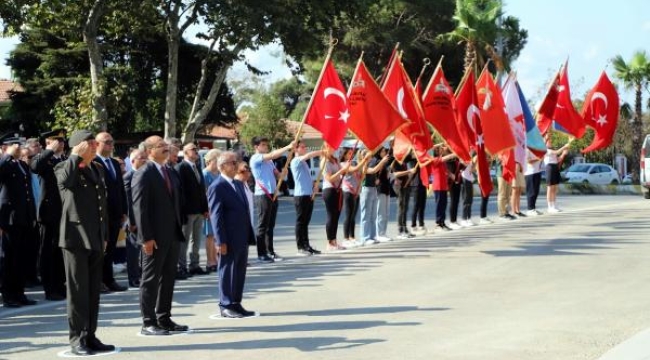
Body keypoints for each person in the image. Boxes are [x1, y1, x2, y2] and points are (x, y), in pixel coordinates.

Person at [55, 130, 114, 355]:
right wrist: (74, 157)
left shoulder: (96, 168)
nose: (93, 146)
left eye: (93, 143)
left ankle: (90, 335)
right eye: (89, 143)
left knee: (92, 292)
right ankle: (77, 339)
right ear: (78, 146)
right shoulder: (64, 167)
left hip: (95, 238)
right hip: (75, 239)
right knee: (78, 292)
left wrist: (105, 235)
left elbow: (102, 207)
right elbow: (66, 183)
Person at [132, 136, 188, 336]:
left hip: (172, 233)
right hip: (153, 237)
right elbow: (140, 208)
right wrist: (146, 237)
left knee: (168, 278)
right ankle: (148, 322)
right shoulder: (143, 173)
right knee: (150, 279)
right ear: (148, 151)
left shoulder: (170, 171)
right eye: (160, 146)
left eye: (166, 146)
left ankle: (164, 317)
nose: (166, 149)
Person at [208, 151, 256, 318]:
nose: (236, 165)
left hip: (241, 236)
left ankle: (236, 302)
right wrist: (220, 240)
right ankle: (226, 304)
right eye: (232, 163)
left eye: (236, 162)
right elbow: (216, 215)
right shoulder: (217, 186)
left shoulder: (237, 184)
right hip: (228, 237)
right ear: (222, 167)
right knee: (227, 270)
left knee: (240, 271)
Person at [0, 137, 38, 308]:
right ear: (5, 147)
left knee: (21, 258)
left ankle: (20, 292)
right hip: (10, 219)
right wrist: (7, 155)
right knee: (9, 258)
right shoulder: (5, 164)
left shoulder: (21, 165)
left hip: (24, 218)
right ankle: (9, 294)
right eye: (14, 145)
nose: (18, 147)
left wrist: (31, 215)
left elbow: (28, 194)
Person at [31, 131, 67, 301]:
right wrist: (49, 151)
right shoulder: (45, 158)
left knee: (60, 251)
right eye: (57, 140)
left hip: (63, 211)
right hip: (48, 213)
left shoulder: (63, 159)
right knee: (48, 251)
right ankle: (50, 288)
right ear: (48, 142)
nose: (61, 143)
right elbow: (35, 167)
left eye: (62, 140)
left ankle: (60, 285)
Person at [249, 137, 294, 263]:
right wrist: (288, 147)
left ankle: (270, 251)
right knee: (262, 225)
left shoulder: (269, 162)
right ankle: (261, 253)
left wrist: (283, 173)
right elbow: (273, 154)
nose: (265, 147)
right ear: (256, 147)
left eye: (266, 144)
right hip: (263, 194)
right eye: (263, 145)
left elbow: (278, 175)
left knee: (270, 225)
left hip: (273, 193)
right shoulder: (256, 158)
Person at [94, 132, 128, 292]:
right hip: (101, 214)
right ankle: (98, 280)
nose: (111, 145)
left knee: (111, 248)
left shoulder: (114, 163)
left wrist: (124, 210)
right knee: (101, 249)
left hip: (115, 214)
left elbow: (120, 188)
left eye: (112, 142)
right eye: (107, 142)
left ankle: (109, 279)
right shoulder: (93, 162)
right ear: (97, 143)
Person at [175, 143, 210, 277]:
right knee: (184, 240)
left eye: (196, 149)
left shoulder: (197, 167)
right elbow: (180, 192)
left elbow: (202, 190)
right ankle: (181, 266)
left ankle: (194, 265)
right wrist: (182, 211)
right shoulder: (181, 168)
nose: (196, 151)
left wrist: (205, 208)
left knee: (196, 240)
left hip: (199, 210)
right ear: (185, 152)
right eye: (193, 149)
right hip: (187, 211)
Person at [290, 141, 323, 255]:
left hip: (308, 194)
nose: (305, 149)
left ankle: (306, 245)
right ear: (296, 149)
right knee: (300, 222)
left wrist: (314, 185)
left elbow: (306, 178)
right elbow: (308, 155)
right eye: (302, 147)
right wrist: (321, 151)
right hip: (300, 195)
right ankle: (300, 247)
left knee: (306, 222)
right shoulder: (296, 161)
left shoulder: (304, 163)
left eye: (305, 147)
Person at [123, 148, 147, 288]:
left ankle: (143, 274)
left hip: (145, 218)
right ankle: (133, 277)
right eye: (141, 158)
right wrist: (131, 221)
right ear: (132, 161)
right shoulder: (128, 176)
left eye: (145, 158)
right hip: (134, 220)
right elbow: (128, 201)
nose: (144, 160)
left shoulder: (145, 175)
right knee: (133, 250)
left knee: (144, 249)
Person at [359, 148, 390, 244]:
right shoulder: (363, 166)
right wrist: (383, 161)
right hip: (366, 189)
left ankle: (372, 236)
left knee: (373, 215)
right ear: (363, 157)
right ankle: (365, 237)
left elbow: (376, 170)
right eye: (368, 156)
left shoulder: (370, 163)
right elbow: (373, 170)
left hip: (373, 189)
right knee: (366, 215)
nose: (370, 157)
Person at [322, 144, 349, 251]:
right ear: (325, 148)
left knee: (336, 216)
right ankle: (330, 242)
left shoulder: (335, 160)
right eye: (330, 147)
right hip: (329, 189)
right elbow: (330, 178)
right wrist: (340, 171)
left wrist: (345, 169)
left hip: (338, 189)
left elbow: (342, 174)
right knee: (331, 215)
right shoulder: (324, 162)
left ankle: (334, 241)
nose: (333, 148)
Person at [340, 147, 367, 247]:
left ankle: (352, 237)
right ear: (344, 155)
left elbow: (361, 175)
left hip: (356, 192)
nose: (351, 155)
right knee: (348, 215)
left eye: (352, 153)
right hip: (347, 191)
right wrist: (364, 160)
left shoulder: (354, 163)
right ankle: (345, 238)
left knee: (353, 216)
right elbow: (354, 169)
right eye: (349, 153)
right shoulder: (343, 164)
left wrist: (364, 163)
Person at [202, 149, 221, 273]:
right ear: (209, 161)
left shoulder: (218, 174)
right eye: (217, 160)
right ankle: (210, 261)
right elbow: (203, 193)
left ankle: (217, 260)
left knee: (217, 235)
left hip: (219, 207)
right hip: (209, 208)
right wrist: (206, 208)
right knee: (210, 236)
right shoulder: (205, 174)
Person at [544, 136, 573, 213]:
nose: (550, 142)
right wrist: (564, 147)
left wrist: (563, 154)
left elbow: (558, 159)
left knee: (555, 187)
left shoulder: (552, 150)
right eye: (548, 141)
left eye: (550, 140)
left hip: (554, 167)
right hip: (549, 167)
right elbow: (557, 152)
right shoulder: (546, 150)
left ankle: (554, 205)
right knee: (550, 187)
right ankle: (549, 206)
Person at [375, 147, 393, 242]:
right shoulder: (378, 161)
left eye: (385, 151)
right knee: (380, 212)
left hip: (386, 188)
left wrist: (389, 172)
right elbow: (374, 173)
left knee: (386, 212)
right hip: (380, 189)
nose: (384, 152)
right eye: (382, 151)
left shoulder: (385, 163)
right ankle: (379, 233)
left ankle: (383, 232)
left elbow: (387, 176)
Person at [524, 148, 544, 216]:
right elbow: (528, 161)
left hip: (537, 171)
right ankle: (530, 209)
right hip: (530, 172)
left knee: (536, 191)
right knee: (531, 192)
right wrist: (538, 158)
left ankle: (533, 208)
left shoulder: (536, 149)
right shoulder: (527, 149)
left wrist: (540, 158)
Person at [446, 156, 464, 229]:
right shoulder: (448, 159)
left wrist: (463, 162)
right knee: (453, 201)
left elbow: (462, 167)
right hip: (451, 181)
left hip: (458, 181)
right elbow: (446, 169)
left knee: (456, 201)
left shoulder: (456, 158)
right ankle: (452, 221)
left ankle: (455, 220)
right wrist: (451, 175)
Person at [460, 157, 476, 227]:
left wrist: (474, 163)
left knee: (470, 199)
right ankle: (464, 219)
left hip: (469, 178)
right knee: (465, 199)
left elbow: (472, 169)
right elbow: (462, 164)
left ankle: (469, 218)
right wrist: (468, 161)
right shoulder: (462, 154)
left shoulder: (469, 155)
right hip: (464, 177)